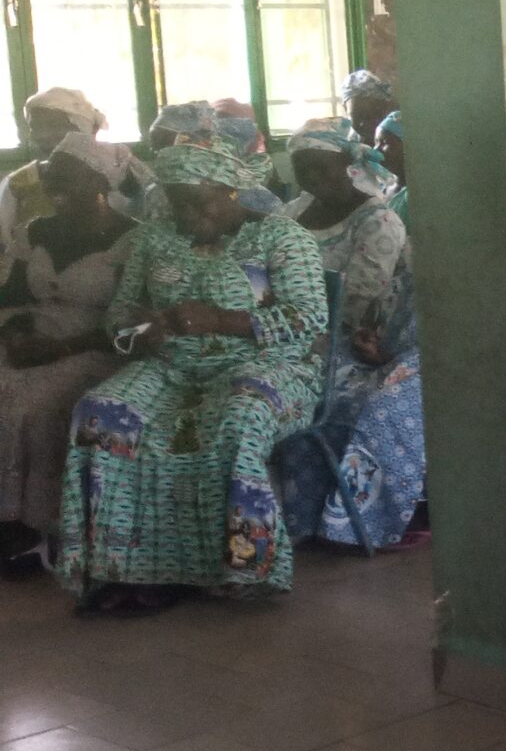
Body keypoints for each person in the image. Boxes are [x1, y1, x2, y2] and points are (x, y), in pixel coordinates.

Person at [56, 137, 325, 612]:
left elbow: (307, 319)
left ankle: (241, 566)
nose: (185, 216)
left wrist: (220, 320)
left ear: (230, 191)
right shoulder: (153, 240)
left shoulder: (281, 238)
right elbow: (119, 315)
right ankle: (119, 564)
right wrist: (135, 333)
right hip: (170, 366)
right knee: (101, 415)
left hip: (271, 366)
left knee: (235, 419)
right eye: (175, 204)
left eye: (196, 203)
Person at [273, 118, 426, 550]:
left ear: (348, 165)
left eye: (323, 167)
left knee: (351, 399)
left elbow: (358, 303)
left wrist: (290, 321)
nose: (312, 179)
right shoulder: (289, 216)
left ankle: (352, 519)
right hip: (299, 333)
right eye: (303, 169)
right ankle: (292, 514)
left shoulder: (377, 221)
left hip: (349, 337)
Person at [0, 135, 138, 573]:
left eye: (65, 173)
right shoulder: (37, 228)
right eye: (51, 172)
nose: (52, 181)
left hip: (95, 346)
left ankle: (38, 527)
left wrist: (59, 348)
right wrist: (17, 334)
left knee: (36, 408)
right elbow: (12, 294)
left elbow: (137, 325)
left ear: (99, 180)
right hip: (29, 338)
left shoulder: (134, 241)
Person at [1, 89, 144, 262]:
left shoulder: (123, 172)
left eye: (54, 125)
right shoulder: (19, 184)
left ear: (85, 128)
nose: (43, 134)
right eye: (35, 126)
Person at [339, 69, 398, 143]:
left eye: (369, 116)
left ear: (384, 109)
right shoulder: (345, 144)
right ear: (345, 108)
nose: (363, 123)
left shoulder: (395, 142)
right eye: (357, 116)